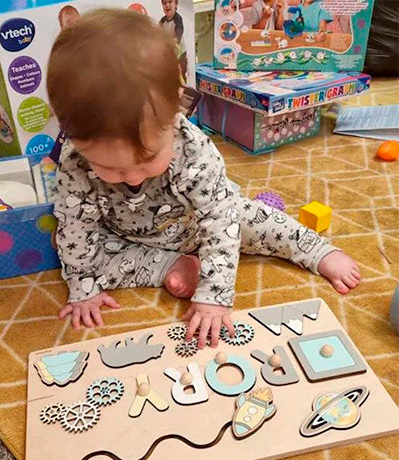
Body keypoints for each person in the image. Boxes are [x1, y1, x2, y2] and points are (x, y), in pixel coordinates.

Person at [47, 9, 360, 346]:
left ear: (175, 113)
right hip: (129, 239)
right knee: (70, 248)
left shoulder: (192, 148)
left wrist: (214, 295)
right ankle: (168, 266)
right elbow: (77, 228)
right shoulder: (75, 162)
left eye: (148, 159)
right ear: (73, 137)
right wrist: (84, 289)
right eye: (109, 168)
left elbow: (219, 219)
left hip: (198, 223)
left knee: (249, 217)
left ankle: (315, 250)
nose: (131, 176)